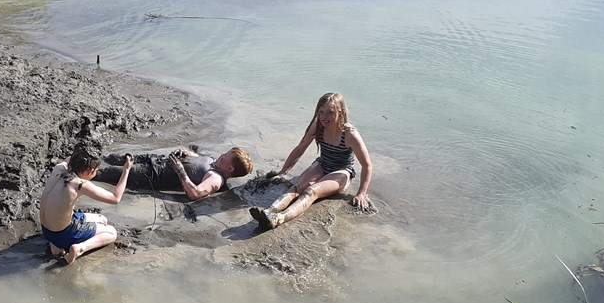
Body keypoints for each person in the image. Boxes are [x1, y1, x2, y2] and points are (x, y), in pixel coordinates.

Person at [250, 92, 373, 229]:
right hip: (322, 164)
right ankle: (268, 211)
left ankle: (278, 219)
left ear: (342, 112)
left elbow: (367, 165)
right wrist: (283, 171)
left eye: (330, 112)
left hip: (341, 172)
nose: (324, 117)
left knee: (311, 192)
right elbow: (299, 149)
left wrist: (361, 193)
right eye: (321, 112)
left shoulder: (350, 135)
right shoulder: (317, 127)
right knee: (297, 187)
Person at [39, 144, 133, 264]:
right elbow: (115, 198)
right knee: (111, 232)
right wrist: (126, 170)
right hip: (62, 234)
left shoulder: (59, 168)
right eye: (95, 170)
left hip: (47, 231)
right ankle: (80, 248)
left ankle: (56, 247)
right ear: (89, 171)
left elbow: (69, 159)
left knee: (102, 219)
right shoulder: (79, 184)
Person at [94, 147, 253, 201]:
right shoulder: (213, 163)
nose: (223, 154)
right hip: (156, 161)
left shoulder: (216, 178)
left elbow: (195, 194)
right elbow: (197, 160)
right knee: (116, 159)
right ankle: (82, 161)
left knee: (109, 172)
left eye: (226, 156)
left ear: (230, 169)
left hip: (155, 174)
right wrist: (185, 153)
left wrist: (180, 171)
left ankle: (75, 173)